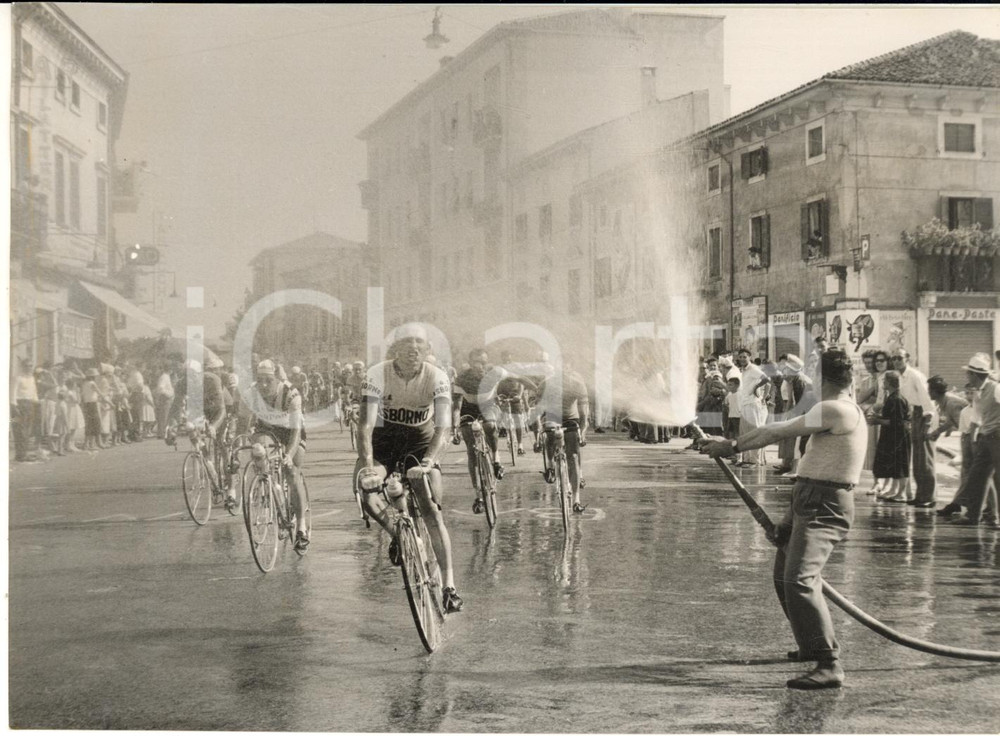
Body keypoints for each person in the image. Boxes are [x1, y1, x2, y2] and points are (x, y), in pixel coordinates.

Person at [700, 348, 867, 690]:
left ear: (823, 378)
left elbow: (776, 432)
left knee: (799, 580)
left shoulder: (836, 408)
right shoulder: (834, 407)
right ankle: (810, 643)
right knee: (783, 576)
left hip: (825, 503)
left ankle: (828, 662)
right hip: (807, 497)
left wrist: (730, 446)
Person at [354, 325, 463, 613]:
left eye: (420, 344)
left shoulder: (437, 377)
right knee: (367, 492)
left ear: (428, 351)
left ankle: (450, 586)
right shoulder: (377, 373)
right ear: (395, 350)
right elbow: (365, 426)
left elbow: (443, 427)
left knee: (430, 506)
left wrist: (428, 462)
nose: (413, 348)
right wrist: (367, 468)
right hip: (385, 442)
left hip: (420, 441)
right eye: (406, 343)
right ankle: (400, 536)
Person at [251, 359, 311, 550]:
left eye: (268, 380)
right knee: (260, 453)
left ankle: (301, 527)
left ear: (277, 379)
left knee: (292, 472)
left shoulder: (291, 393)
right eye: (260, 380)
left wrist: (289, 454)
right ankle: (269, 488)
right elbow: (243, 426)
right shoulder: (251, 393)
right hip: (266, 431)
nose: (263, 385)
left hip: (290, 432)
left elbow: (295, 433)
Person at [452, 348, 515, 510]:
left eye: (484, 362)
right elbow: (457, 406)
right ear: (470, 363)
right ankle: (478, 496)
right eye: (476, 363)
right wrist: (455, 427)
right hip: (468, 409)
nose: (480, 366)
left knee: (490, 425)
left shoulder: (494, 372)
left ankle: (496, 460)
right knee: (472, 451)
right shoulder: (461, 378)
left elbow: (517, 379)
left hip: (488, 406)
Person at [529, 357, 591, 513]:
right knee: (549, 435)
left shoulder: (577, 383)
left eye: (567, 370)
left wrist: (582, 433)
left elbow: (584, 413)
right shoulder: (546, 384)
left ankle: (576, 499)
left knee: (573, 455)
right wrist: (538, 434)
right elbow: (537, 410)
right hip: (552, 417)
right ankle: (550, 465)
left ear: (571, 370)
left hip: (571, 418)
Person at [947, 353, 1000, 527]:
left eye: (969, 373)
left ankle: (994, 517)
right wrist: (975, 435)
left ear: (976, 375)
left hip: (997, 437)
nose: (967, 376)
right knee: (977, 476)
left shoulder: (996, 388)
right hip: (985, 437)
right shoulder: (979, 392)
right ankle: (973, 516)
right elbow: (976, 416)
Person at [890, 349, 937, 508]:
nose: (896, 361)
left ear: (907, 358)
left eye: (900, 358)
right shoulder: (899, 377)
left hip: (923, 415)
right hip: (912, 415)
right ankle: (920, 495)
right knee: (916, 459)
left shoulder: (915, 375)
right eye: (894, 358)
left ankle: (929, 496)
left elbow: (926, 398)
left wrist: (928, 421)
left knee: (925, 459)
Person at [871, 371, 911, 502]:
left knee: (900, 464)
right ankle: (894, 490)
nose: (883, 383)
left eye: (885, 381)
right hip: (893, 436)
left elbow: (896, 421)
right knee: (895, 464)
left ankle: (902, 492)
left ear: (889, 382)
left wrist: (877, 421)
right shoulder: (892, 397)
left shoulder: (897, 399)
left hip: (899, 437)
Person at [734, 348, 770, 467]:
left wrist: (756, 388)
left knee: (754, 431)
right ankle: (747, 459)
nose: (743, 359)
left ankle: (755, 460)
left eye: (745, 357)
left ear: (749, 357)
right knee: (745, 432)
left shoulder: (753, 368)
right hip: (745, 403)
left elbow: (767, 379)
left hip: (753, 403)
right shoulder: (743, 370)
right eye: (741, 357)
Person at [154, 365, 175, 439]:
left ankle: (163, 432)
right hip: (165, 398)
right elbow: (160, 388)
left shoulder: (167, 376)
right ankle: (161, 433)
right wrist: (168, 394)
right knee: (164, 416)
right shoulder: (164, 377)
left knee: (165, 416)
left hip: (167, 398)